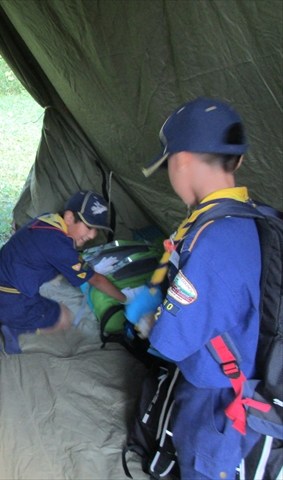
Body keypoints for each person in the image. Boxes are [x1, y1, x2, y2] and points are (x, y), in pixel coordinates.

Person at [131, 97, 262, 479]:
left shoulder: (212, 242)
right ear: (236, 161)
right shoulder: (251, 216)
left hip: (219, 397)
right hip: (249, 372)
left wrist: (145, 317)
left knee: (199, 463)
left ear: (182, 161)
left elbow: (171, 342)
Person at [0, 190, 129, 354]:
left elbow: (58, 256)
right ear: (69, 217)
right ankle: (14, 329)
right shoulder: (62, 248)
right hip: (12, 304)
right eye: (89, 226)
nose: (92, 235)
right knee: (64, 317)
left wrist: (85, 267)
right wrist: (126, 298)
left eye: (96, 229)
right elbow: (96, 280)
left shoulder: (46, 219)